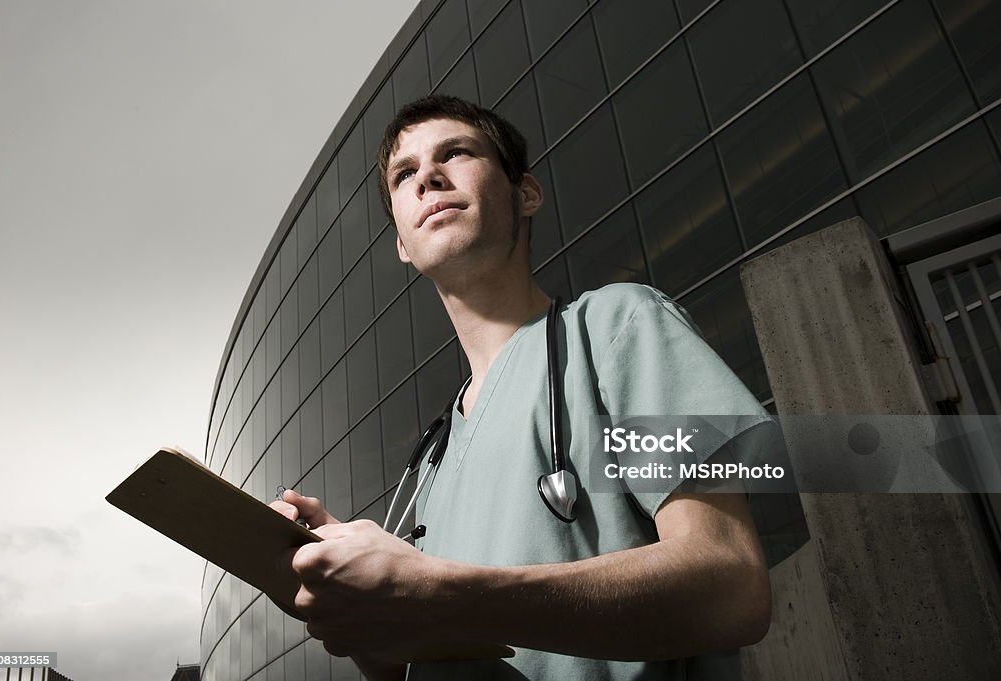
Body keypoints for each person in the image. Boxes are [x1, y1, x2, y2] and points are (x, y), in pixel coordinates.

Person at [270, 95, 772, 680]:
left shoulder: (619, 327)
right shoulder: (432, 462)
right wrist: (347, 597)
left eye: (455, 153)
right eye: (404, 175)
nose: (428, 177)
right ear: (403, 246)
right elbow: (408, 663)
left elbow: (731, 586)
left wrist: (439, 590)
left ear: (525, 193)